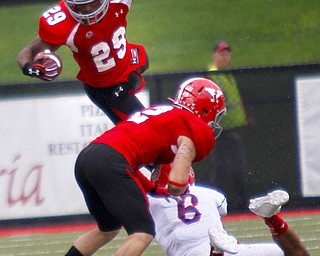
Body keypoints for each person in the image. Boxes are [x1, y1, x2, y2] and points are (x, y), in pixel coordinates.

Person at [64, 77, 227, 255]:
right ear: (204, 109)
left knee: (108, 228)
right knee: (142, 232)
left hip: (89, 158)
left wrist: (154, 189)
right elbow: (176, 184)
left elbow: (128, 163)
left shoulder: (162, 111)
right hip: (110, 161)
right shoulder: (192, 126)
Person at [18, 0, 149, 124]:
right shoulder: (61, 22)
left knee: (144, 60)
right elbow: (28, 51)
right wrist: (30, 68)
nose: (87, 10)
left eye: (92, 3)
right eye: (81, 5)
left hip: (129, 61)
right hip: (106, 87)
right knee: (144, 129)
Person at [148, 166, 310, 256]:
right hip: (232, 250)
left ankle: (216, 252)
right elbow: (220, 210)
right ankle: (271, 218)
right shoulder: (210, 194)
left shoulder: (150, 201)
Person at [204, 41, 250, 209]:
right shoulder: (213, 75)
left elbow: (234, 100)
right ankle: (216, 203)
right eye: (221, 53)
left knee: (235, 166)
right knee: (222, 167)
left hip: (233, 127)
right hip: (221, 129)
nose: (225, 56)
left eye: (227, 53)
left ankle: (240, 201)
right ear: (214, 56)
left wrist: (245, 115)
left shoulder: (227, 74)